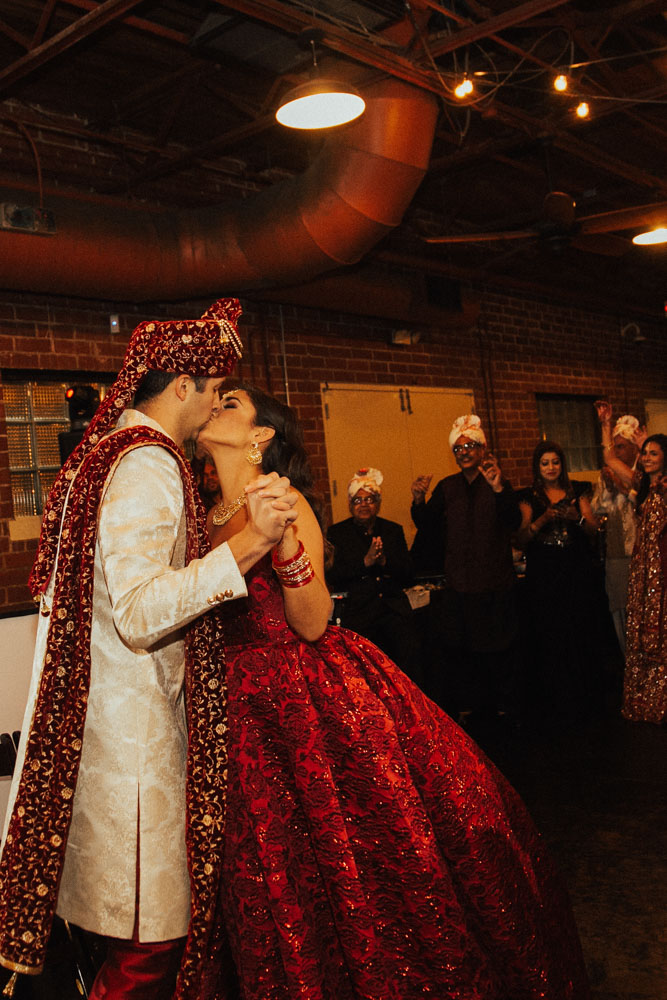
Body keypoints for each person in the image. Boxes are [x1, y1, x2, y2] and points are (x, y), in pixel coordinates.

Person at [190, 385, 591, 1000]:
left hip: (299, 697)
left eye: (231, 401)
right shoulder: (201, 514)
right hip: (234, 708)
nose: (215, 405)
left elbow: (312, 621)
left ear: (261, 435)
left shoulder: (283, 497)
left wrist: (288, 543)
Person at [0, 301, 298, 1000]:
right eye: (214, 391)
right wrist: (252, 542)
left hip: (111, 736)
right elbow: (137, 611)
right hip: (133, 751)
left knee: (131, 944)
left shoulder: (113, 452)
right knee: (148, 950)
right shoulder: (148, 464)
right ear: (183, 386)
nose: (215, 407)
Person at [410, 414, 521, 723]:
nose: (465, 453)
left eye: (471, 446)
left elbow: (514, 522)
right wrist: (418, 500)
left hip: (496, 582)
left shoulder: (498, 482)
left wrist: (499, 490)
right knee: (464, 650)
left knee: (500, 649)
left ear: (482, 449)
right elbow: (427, 527)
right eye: (459, 449)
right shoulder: (447, 487)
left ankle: (504, 705)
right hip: (461, 584)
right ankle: (471, 704)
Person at [515, 441, 618, 724]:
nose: (551, 467)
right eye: (545, 463)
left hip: (575, 572)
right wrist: (543, 519)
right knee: (549, 634)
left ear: (562, 465)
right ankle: (554, 702)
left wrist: (576, 518)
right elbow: (521, 537)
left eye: (555, 462)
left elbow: (593, 529)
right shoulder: (528, 496)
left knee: (580, 631)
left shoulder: (577, 489)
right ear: (538, 466)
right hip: (544, 575)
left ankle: (585, 698)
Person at [326, 468, 420, 682]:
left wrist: (385, 562)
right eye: (358, 500)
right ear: (350, 504)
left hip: (393, 611)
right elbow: (332, 575)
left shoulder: (392, 530)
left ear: (378, 503)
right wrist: (365, 563)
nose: (364, 504)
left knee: (410, 656)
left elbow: (409, 575)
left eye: (369, 499)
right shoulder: (337, 534)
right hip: (359, 613)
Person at [592, 401, 645, 654]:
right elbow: (598, 511)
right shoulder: (608, 475)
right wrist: (607, 489)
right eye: (615, 446)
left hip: (643, 557)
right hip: (616, 556)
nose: (616, 452)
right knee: (620, 613)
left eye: (621, 446)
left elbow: (640, 497)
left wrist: (622, 487)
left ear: (637, 448)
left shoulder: (646, 473)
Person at [622, 433, 667, 724]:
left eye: (654, 453)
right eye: (645, 453)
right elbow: (612, 461)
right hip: (643, 570)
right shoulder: (645, 487)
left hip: (662, 570)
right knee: (642, 633)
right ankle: (645, 701)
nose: (648, 458)